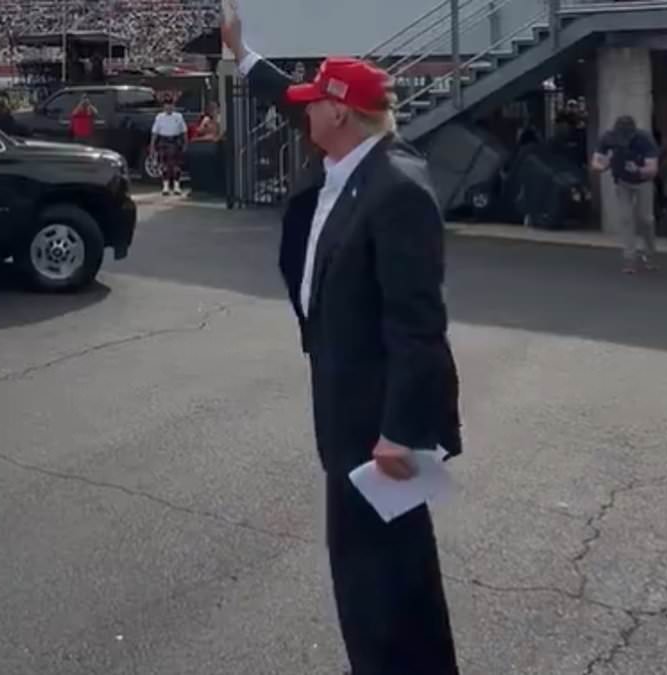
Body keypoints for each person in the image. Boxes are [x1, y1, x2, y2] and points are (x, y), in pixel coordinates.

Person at [223, 11, 462, 675]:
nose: (300, 114)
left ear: (340, 112)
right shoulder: (350, 159)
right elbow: (283, 94)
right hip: (347, 402)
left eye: (312, 104)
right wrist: (242, 54)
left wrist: (400, 432)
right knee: (388, 567)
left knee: (377, 577)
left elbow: (418, 327)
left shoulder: (395, 190)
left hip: (377, 422)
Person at [591, 114, 660, 273]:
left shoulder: (644, 139)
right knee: (626, 219)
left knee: (646, 219)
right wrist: (602, 166)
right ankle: (629, 258)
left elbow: (653, 169)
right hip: (622, 182)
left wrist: (639, 170)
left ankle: (650, 255)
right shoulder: (608, 138)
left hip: (643, 182)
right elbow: (596, 160)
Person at [150, 96, 188, 196]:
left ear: (173, 106)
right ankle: (165, 187)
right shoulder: (159, 117)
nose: (168, 107)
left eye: (170, 105)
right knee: (164, 166)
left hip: (175, 141)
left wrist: (185, 143)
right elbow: (155, 132)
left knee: (176, 166)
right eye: (166, 105)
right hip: (163, 141)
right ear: (164, 107)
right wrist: (152, 146)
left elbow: (184, 131)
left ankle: (176, 186)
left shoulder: (178, 116)